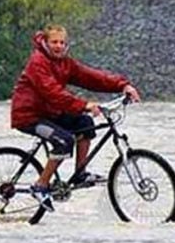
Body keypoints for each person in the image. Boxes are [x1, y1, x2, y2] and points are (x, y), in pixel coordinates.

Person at [10, 24, 141, 211]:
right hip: (29, 116)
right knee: (64, 141)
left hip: (51, 113)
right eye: (54, 42)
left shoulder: (65, 63)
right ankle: (40, 186)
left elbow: (92, 77)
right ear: (45, 43)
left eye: (62, 42)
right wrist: (84, 105)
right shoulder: (37, 62)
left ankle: (80, 173)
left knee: (86, 123)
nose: (59, 46)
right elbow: (52, 92)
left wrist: (123, 86)